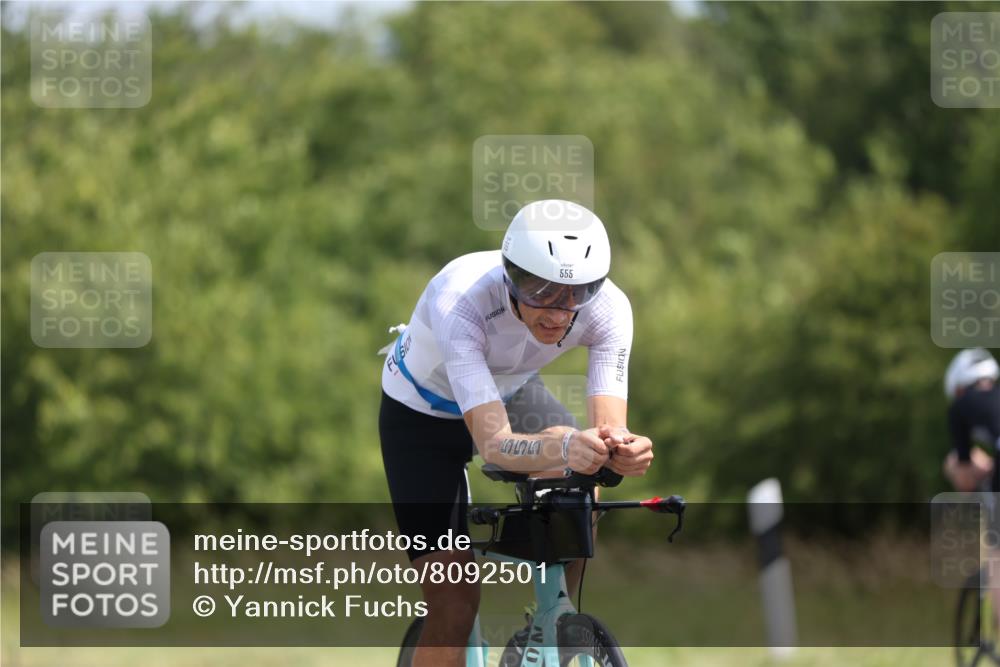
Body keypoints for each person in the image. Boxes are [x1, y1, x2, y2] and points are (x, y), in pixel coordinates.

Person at [378, 199, 654, 667]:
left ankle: (552, 624)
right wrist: (567, 443)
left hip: (509, 393)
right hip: (421, 414)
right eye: (538, 289)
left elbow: (609, 431)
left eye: (576, 293)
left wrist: (622, 450)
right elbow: (496, 444)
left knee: (580, 494)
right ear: (509, 275)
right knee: (455, 603)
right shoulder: (461, 299)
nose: (556, 310)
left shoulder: (609, 309)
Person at [942, 348, 1000, 493]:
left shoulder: (959, 406)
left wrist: (985, 471)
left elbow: (964, 478)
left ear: (958, 388)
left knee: (952, 461)